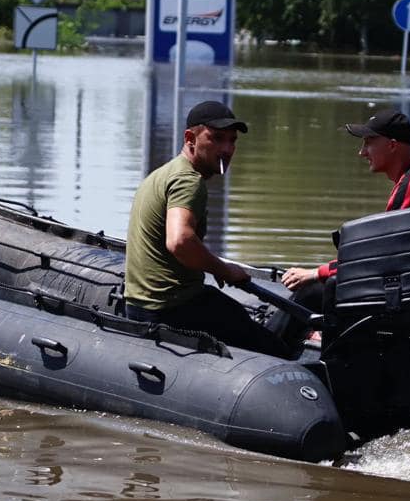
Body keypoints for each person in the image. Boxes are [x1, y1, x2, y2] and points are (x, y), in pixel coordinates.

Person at [271, 108, 410, 343]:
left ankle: (269, 348)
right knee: (328, 286)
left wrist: (315, 273)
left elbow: (381, 258)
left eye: (369, 143)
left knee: (313, 290)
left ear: (392, 145)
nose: (362, 152)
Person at [124, 100, 291, 357]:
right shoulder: (188, 181)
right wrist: (224, 269)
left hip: (139, 305)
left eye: (232, 141)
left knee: (230, 312)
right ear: (190, 137)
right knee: (278, 352)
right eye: (216, 138)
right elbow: (180, 241)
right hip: (170, 309)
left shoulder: (164, 173)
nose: (227, 149)